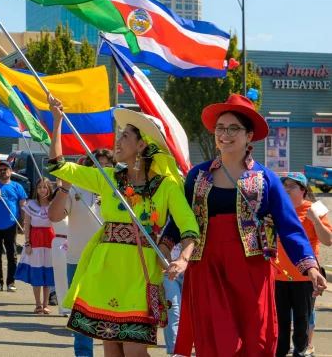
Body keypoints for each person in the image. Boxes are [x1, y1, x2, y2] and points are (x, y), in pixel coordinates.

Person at [162, 94, 327, 357]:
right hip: (206, 266)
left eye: (233, 128)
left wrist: (310, 267)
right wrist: (163, 248)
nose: (225, 134)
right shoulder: (197, 176)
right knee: (214, 339)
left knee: (254, 339)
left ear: (249, 136)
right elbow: (181, 220)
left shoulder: (266, 178)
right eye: (220, 128)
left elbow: (289, 226)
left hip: (250, 269)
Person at [48, 97, 199, 355]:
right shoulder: (108, 177)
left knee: (135, 351)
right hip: (104, 268)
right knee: (112, 350)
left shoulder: (166, 186)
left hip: (140, 271)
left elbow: (189, 226)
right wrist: (58, 120)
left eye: (125, 136)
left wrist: (183, 258)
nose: (118, 141)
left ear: (142, 144)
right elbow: (59, 166)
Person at [48, 149, 114, 357]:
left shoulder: (119, 190)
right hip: (78, 260)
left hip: (111, 260)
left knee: (111, 316)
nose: (100, 168)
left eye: (105, 164)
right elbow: (55, 216)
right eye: (95, 164)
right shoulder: (76, 188)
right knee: (81, 316)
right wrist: (65, 188)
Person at [275, 172, 332, 357]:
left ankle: (301, 351)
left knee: (302, 321)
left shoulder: (315, 208)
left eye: (292, 186)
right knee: (280, 323)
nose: (287, 189)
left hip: (305, 277)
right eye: (285, 185)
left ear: (303, 190)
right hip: (277, 276)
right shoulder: (277, 209)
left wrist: (315, 220)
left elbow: (328, 240)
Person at [0, 162, 27, 292]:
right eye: (0, 170)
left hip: (11, 225)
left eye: (5, 169)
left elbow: (23, 207)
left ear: (10, 171)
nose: (2, 172)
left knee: (11, 255)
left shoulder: (17, 187)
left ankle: (11, 282)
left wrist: (24, 223)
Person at [15, 177, 55, 314]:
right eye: (39, 187)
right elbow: (27, 226)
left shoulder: (54, 204)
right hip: (36, 239)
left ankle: (45, 304)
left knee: (48, 271)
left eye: (45, 187)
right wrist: (27, 243)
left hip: (50, 239)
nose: (42, 190)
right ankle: (38, 304)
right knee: (37, 271)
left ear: (49, 188)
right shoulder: (31, 204)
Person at [50, 182, 70, 317]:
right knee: (61, 275)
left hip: (74, 241)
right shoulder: (53, 209)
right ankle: (64, 307)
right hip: (59, 242)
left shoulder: (73, 208)